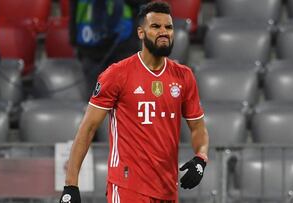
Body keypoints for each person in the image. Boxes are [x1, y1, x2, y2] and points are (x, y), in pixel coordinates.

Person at [59, 1, 209, 202]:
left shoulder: (184, 77)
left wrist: (201, 158)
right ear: (141, 33)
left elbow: (198, 128)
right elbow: (88, 128)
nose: (164, 31)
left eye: (169, 27)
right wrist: (71, 185)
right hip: (128, 187)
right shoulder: (117, 74)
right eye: (155, 26)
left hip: (167, 190)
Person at [69, 0, 150, 91]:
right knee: (95, 98)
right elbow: (74, 9)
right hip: (90, 48)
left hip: (122, 46)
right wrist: (74, 42)